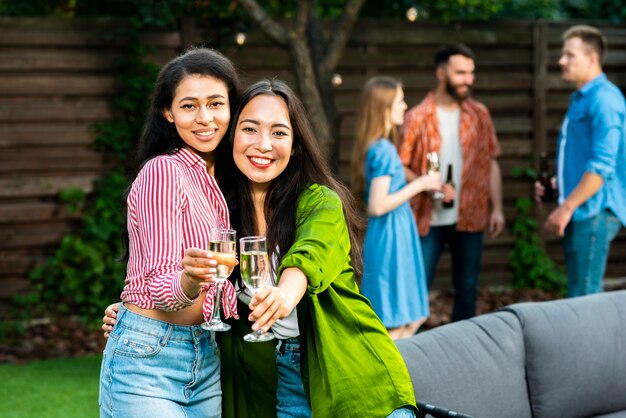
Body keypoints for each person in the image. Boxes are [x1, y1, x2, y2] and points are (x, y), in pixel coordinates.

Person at [196, 79, 417, 417]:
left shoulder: (320, 202)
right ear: (231, 137)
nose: (264, 144)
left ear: (296, 144)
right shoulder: (219, 213)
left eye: (279, 133)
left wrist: (284, 294)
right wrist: (137, 316)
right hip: (286, 380)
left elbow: (310, 254)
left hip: (352, 373)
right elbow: (189, 277)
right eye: (250, 129)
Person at [98, 47, 242, 418]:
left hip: (204, 356)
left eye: (215, 104)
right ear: (168, 112)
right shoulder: (163, 172)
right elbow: (162, 284)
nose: (205, 118)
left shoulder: (220, 182)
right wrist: (190, 280)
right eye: (189, 106)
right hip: (149, 360)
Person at [398, 42, 505, 322]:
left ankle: (463, 348)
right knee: (417, 287)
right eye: (461, 73)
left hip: (470, 215)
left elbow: (491, 161)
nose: (468, 80)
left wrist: (498, 209)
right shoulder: (417, 116)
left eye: (471, 73)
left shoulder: (480, 114)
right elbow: (401, 164)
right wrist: (425, 182)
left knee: (467, 289)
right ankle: (409, 346)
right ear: (441, 73)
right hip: (426, 217)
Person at [536, 25, 625, 297]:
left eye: (569, 55)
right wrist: (557, 186)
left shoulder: (604, 99)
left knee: (584, 300)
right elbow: (580, 157)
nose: (561, 61)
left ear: (592, 58)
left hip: (594, 210)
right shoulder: (582, 98)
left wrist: (566, 208)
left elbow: (601, 165)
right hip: (582, 208)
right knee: (579, 295)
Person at [351, 76, 440, 339]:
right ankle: (391, 371)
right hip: (391, 235)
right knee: (403, 317)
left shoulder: (376, 147)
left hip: (393, 233)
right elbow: (378, 205)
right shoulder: (385, 150)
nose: (405, 106)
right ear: (384, 108)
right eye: (400, 101)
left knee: (409, 315)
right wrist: (422, 183)